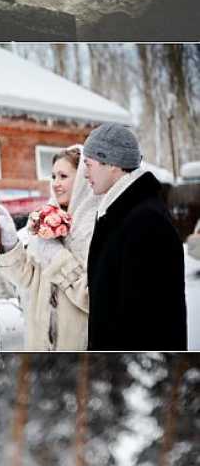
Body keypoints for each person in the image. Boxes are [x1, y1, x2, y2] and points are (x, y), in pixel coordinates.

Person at [83, 123, 188, 352]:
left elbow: (148, 320)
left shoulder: (145, 221)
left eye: (88, 164)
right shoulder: (119, 212)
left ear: (111, 163)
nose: (84, 173)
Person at [0, 147, 92, 350]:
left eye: (63, 176)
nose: (55, 184)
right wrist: (9, 243)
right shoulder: (44, 223)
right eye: (53, 176)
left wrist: (55, 256)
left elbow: (92, 298)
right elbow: (28, 280)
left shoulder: (95, 227)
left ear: (82, 179)